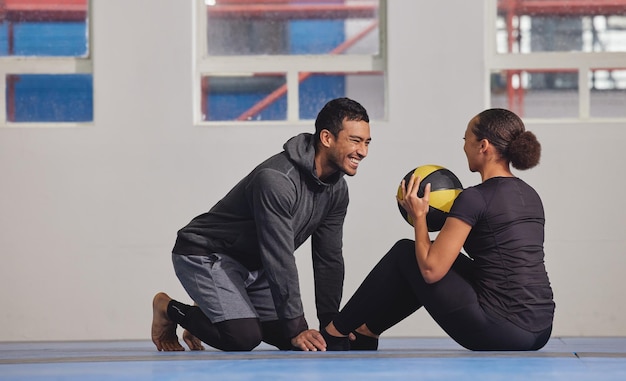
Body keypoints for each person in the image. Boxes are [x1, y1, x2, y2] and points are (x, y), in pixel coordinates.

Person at [322, 108, 555, 351]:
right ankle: (365, 332)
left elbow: (431, 270)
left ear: (483, 146)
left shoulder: (475, 198)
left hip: (502, 330)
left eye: (466, 140)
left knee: (407, 253)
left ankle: (334, 332)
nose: (464, 146)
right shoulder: (530, 195)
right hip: (541, 329)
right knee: (430, 256)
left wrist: (419, 217)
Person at [151, 97, 372, 352]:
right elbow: (279, 256)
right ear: (326, 138)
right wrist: (297, 327)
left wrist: (331, 325)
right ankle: (167, 308)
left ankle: (213, 315)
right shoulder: (276, 179)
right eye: (355, 141)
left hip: (255, 266)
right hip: (205, 253)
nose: (363, 151)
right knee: (243, 337)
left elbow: (328, 257)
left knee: (295, 342)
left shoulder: (337, 190)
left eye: (366, 142)